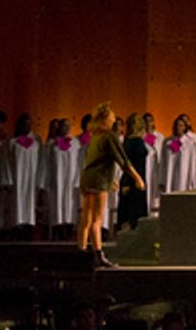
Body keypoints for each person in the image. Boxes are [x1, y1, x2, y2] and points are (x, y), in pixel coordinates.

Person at [78, 102, 144, 268]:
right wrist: (137, 178)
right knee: (97, 219)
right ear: (106, 119)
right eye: (112, 116)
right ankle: (98, 255)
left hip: (89, 179)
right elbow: (123, 160)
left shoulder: (95, 136)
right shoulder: (108, 136)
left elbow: (97, 159)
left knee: (86, 218)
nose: (114, 118)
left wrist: (112, 179)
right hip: (98, 181)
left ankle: (82, 252)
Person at [0, 113, 40, 230]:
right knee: (17, 203)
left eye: (29, 124)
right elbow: (6, 162)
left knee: (30, 202)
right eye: (24, 124)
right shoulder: (12, 143)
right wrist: (8, 179)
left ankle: (29, 226)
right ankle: (17, 226)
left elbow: (39, 162)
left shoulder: (35, 143)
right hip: (17, 178)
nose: (26, 126)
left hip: (31, 179)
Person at [43, 117, 80, 238]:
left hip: (70, 179)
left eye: (68, 125)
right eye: (64, 125)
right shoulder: (51, 144)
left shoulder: (75, 143)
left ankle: (68, 229)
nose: (66, 128)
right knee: (56, 204)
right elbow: (45, 163)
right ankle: (57, 230)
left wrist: (78, 179)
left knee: (70, 205)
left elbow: (78, 162)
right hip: (56, 179)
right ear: (58, 127)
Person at [117, 113, 150, 230]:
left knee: (128, 209)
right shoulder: (137, 142)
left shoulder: (127, 141)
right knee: (135, 210)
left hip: (129, 178)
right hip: (136, 179)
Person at [161, 115, 196, 196]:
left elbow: (192, 163)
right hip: (170, 176)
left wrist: (193, 179)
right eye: (177, 125)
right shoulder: (168, 142)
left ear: (185, 127)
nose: (178, 127)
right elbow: (163, 162)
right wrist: (162, 179)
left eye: (181, 125)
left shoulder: (190, 143)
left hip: (184, 177)